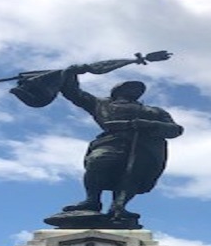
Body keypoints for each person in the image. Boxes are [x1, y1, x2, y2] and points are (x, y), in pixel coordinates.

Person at [59, 67, 183, 226]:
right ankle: (92, 201)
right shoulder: (101, 103)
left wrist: (146, 124)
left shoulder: (154, 111)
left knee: (132, 176)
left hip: (144, 147)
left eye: (139, 89)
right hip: (111, 141)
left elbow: (175, 129)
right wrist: (71, 73)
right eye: (131, 87)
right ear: (118, 90)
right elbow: (73, 92)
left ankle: (119, 207)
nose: (136, 90)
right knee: (97, 162)